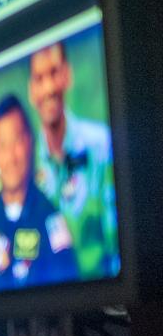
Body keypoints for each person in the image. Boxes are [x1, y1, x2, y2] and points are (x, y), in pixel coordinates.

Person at [27, 41, 118, 279]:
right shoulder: (27, 163)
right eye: (39, 78)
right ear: (31, 90)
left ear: (67, 75)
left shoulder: (100, 145)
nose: (48, 89)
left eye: (54, 73)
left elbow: (118, 248)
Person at [0, 95, 78, 294]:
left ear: (30, 141)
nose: (11, 157)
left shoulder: (50, 219)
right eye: (2, 145)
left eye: (17, 141)